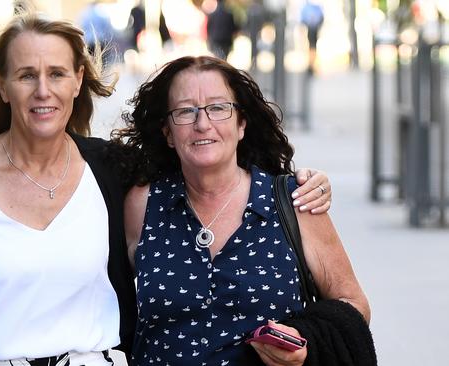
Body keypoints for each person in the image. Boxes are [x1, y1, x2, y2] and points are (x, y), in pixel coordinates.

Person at [0, 10, 333, 366]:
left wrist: (299, 182)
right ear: (1, 85)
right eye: (26, 75)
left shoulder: (113, 170)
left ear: (78, 81)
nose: (43, 90)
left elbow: (204, 152)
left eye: (57, 74)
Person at [116, 56, 374, 365]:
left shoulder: (294, 201)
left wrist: (306, 343)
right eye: (185, 111)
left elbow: (354, 303)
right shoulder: (142, 203)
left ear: (241, 123)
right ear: (168, 132)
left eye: (217, 108)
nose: (202, 124)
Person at [300, 0, 324, 73]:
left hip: (313, 29)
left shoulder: (315, 6)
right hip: (309, 29)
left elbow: (321, 17)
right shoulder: (308, 6)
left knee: (313, 47)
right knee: (311, 47)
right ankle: (311, 64)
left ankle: (312, 64)